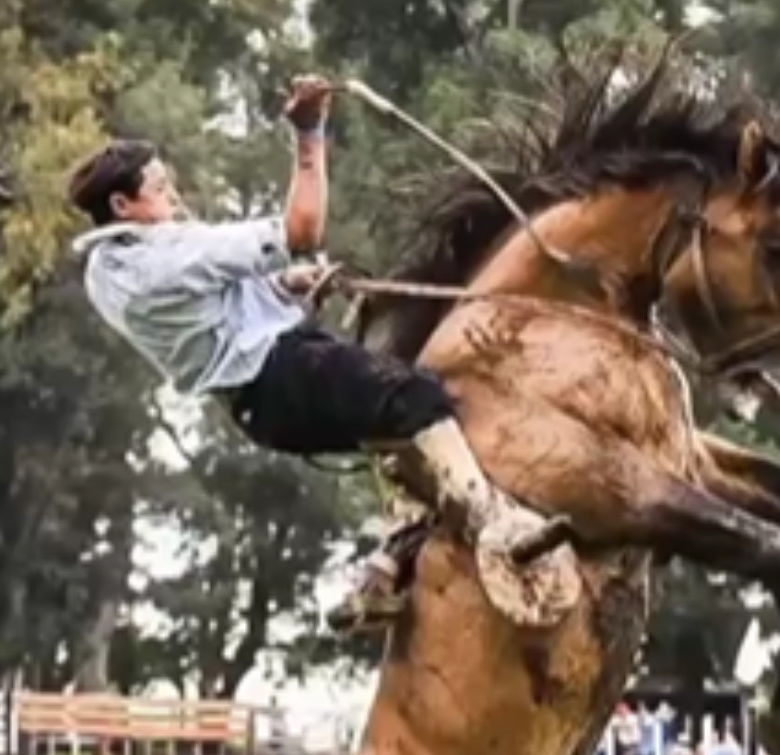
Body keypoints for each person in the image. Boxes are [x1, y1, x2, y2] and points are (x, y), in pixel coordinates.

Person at [66, 74, 513, 626]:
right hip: (281, 371)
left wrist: (287, 284)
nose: (175, 195)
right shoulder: (163, 255)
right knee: (417, 395)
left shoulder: (103, 272)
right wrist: (308, 135)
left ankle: (385, 568)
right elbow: (301, 229)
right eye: (160, 187)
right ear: (122, 204)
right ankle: (497, 526)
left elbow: (213, 309)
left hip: (261, 403)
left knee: (396, 437)